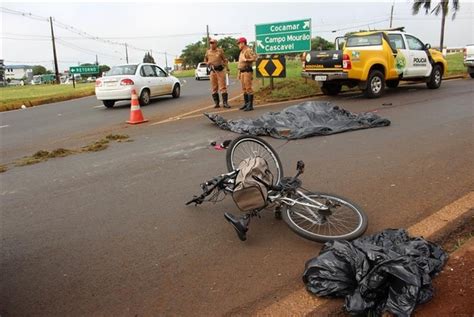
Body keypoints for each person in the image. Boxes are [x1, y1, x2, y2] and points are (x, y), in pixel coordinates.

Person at [204, 38, 230, 108]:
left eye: (213, 43)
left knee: (223, 87)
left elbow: (224, 60)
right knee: (214, 88)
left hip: (220, 70)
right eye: (210, 43)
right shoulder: (208, 52)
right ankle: (217, 103)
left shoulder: (220, 51)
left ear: (216, 44)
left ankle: (225, 103)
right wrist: (207, 63)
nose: (211, 44)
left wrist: (227, 68)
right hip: (213, 71)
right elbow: (205, 61)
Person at [237, 37, 257, 111]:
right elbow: (240, 63)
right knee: (244, 89)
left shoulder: (248, 50)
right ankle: (246, 104)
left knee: (248, 88)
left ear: (243, 43)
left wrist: (246, 59)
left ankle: (250, 105)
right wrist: (239, 73)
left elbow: (255, 58)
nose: (238, 45)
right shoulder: (242, 52)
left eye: (239, 43)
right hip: (242, 71)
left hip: (247, 71)